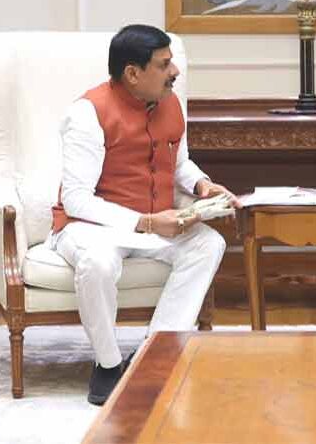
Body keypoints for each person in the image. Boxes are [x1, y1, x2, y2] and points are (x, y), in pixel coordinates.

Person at [49, 24, 241, 405]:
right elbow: (76, 200)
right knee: (97, 264)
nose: (175, 72)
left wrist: (202, 185)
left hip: (153, 224)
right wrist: (149, 223)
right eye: (164, 65)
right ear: (133, 73)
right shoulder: (87, 114)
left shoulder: (170, 102)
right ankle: (108, 364)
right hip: (91, 227)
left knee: (208, 244)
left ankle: (155, 352)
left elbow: (179, 163)